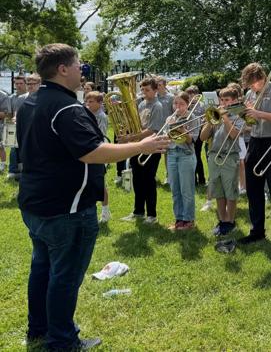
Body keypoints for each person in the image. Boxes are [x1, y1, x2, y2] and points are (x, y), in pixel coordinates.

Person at [17, 43, 168, 350]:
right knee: (65, 276)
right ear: (62, 69)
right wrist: (142, 146)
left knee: (43, 267)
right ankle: (62, 340)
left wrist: (128, 140)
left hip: (37, 202)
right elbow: (92, 152)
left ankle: (39, 329)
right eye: (78, 65)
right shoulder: (67, 108)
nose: (81, 70)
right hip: (67, 208)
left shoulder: (31, 103)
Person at [237, 63, 271, 245]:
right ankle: (257, 230)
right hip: (255, 140)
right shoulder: (250, 94)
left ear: (261, 78)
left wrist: (258, 113)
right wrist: (245, 115)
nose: (251, 87)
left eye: (253, 83)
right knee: (253, 188)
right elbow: (252, 121)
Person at [119, 77, 164, 224]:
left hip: (151, 147)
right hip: (138, 146)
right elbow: (138, 125)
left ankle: (152, 215)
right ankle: (138, 211)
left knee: (148, 180)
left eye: (148, 90)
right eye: (143, 90)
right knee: (137, 179)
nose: (144, 93)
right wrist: (128, 132)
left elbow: (152, 130)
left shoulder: (157, 106)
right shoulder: (142, 104)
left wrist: (130, 137)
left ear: (156, 90)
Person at [200, 87, 244, 236]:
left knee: (230, 191)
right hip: (214, 156)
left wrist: (224, 118)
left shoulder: (238, 116)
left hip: (230, 156)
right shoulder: (215, 117)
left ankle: (230, 221)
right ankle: (222, 219)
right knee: (218, 191)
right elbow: (202, 137)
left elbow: (234, 135)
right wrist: (209, 122)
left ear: (235, 101)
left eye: (227, 100)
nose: (223, 103)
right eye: (222, 100)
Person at [165, 91, 199, 231]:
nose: (177, 107)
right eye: (175, 103)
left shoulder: (193, 118)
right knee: (175, 189)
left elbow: (192, 140)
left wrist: (179, 127)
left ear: (187, 105)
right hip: (172, 154)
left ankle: (188, 220)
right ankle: (178, 219)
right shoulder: (169, 118)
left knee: (186, 189)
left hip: (186, 154)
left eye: (181, 104)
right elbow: (167, 138)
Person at [85, 91, 111, 223]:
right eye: (87, 101)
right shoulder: (86, 114)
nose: (87, 104)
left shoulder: (101, 116)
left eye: (91, 102)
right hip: (89, 151)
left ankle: (106, 211)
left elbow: (99, 134)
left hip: (99, 151)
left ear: (100, 103)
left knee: (100, 183)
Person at [8, 75, 28, 179]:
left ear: (25, 84)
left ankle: (24, 170)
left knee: (25, 148)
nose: (18, 86)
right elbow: (10, 114)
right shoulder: (11, 98)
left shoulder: (30, 96)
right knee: (13, 148)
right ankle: (12, 170)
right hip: (15, 126)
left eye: (21, 83)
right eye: (16, 84)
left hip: (28, 127)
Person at [185, 85, 206, 186]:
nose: (191, 98)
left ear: (198, 96)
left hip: (199, 133)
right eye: (189, 96)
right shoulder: (187, 106)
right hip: (188, 134)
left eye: (193, 95)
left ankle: (201, 179)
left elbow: (205, 119)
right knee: (190, 155)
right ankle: (193, 179)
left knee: (197, 155)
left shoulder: (202, 105)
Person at [156, 76, 175, 185]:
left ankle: (168, 175)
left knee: (167, 153)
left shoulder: (171, 97)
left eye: (159, 85)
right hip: (156, 128)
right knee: (155, 152)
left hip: (167, 128)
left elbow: (174, 112)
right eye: (156, 85)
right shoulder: (154, 97)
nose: (157, 87)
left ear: (164, 85)